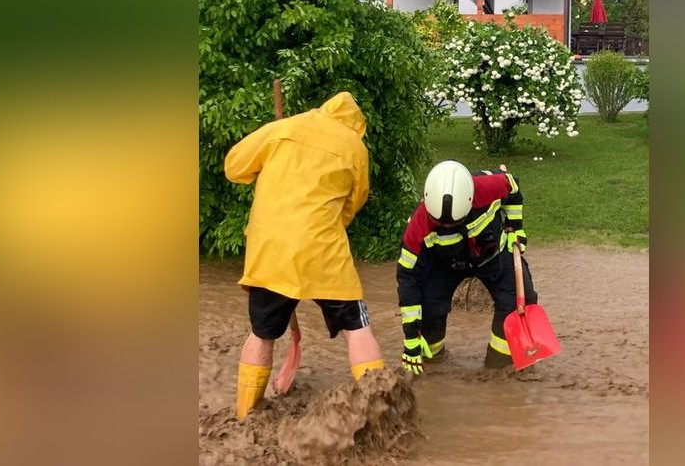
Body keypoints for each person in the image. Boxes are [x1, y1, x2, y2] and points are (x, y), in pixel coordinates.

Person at [224, 90, 384, 419]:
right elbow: (354, 202)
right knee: (358, 327)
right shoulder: (356, 147)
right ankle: (379, 413)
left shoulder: (284, 129)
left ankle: (245, 416)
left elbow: (234, 167)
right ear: (357, 124)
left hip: (270, 253)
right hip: (326, 253)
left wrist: (265, 158)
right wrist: (325, 227)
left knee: (261, 333)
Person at [396, 160, 537, 376]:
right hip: (445, 265)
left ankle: (498, 369)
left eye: (452, 223)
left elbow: (514, 188)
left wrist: (515, 227)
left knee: (519, 301)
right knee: (430, 308)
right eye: (439, 222)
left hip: (494, 256)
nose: (445, 226)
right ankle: (433, 366)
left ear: (470, 202)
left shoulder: (489, 185)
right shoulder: (417, 226)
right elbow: (407, 280)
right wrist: (412, 338)